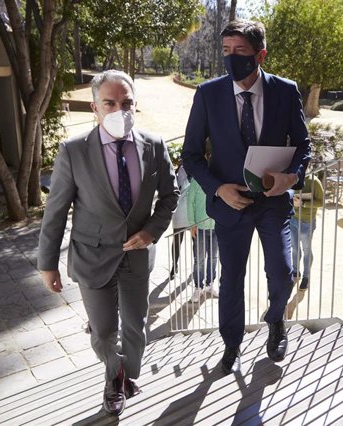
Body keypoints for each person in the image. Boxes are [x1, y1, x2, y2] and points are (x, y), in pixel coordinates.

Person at [37, 70, 179, 416]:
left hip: (137, 255)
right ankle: (115, 375)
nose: (120, 110)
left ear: (135, 104)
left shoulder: (154, 145)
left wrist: (152, 231)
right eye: (110, 103)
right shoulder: (73, 151)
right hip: (92, 255)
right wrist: (47, 263)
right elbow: (55, 211)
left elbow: (171, 195)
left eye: (127, 102)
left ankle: (121, 378)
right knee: (102, 333)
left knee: (136, 328)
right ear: (94, 108)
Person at [182, 19, 311, 374]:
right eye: (226, 51)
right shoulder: (208, 94)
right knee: (231, 279)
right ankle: (232, 344)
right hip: (229, 206)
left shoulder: (286, 91)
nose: (231, 58)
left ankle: (275, 321)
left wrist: (291, 176)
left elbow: (303, 144)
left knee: (283, 273)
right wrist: (217, 188)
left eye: (240, 51)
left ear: (260, 54)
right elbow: (190, 155)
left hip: (272, 204)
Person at [187, 178, 219, 302]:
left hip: (216, 226)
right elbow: (190, 202)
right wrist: (192, 224)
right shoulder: (196, 181)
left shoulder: (219, 178)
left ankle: (210, 284)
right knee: (199, 260)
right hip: (200, 227)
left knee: (213, 258)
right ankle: (198, 287)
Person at [290, 175, 324, 290]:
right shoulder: (292, 177)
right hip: (293, 219)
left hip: (307, 222)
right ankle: (295, 271)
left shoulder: (314, 181)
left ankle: (306, 277)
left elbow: (321, 202)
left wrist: (304, 203)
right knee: (294, 248)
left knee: (306, 250)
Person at [169, 162, 191, 280]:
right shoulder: (182, 169)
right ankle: (174, 266)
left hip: (193, 210)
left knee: (196, 241)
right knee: (177, 240)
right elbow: (181, 186)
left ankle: (197, 267)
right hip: (181, 210)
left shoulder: (198, 166)